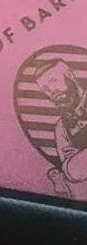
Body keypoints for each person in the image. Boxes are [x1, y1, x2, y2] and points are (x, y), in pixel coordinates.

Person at [35, 59, 87, 195]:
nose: (52, 91)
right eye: (45, 89)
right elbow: (73, 171)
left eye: (53, 81)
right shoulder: (62, 127)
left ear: (69, 75)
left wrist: (79, 156)